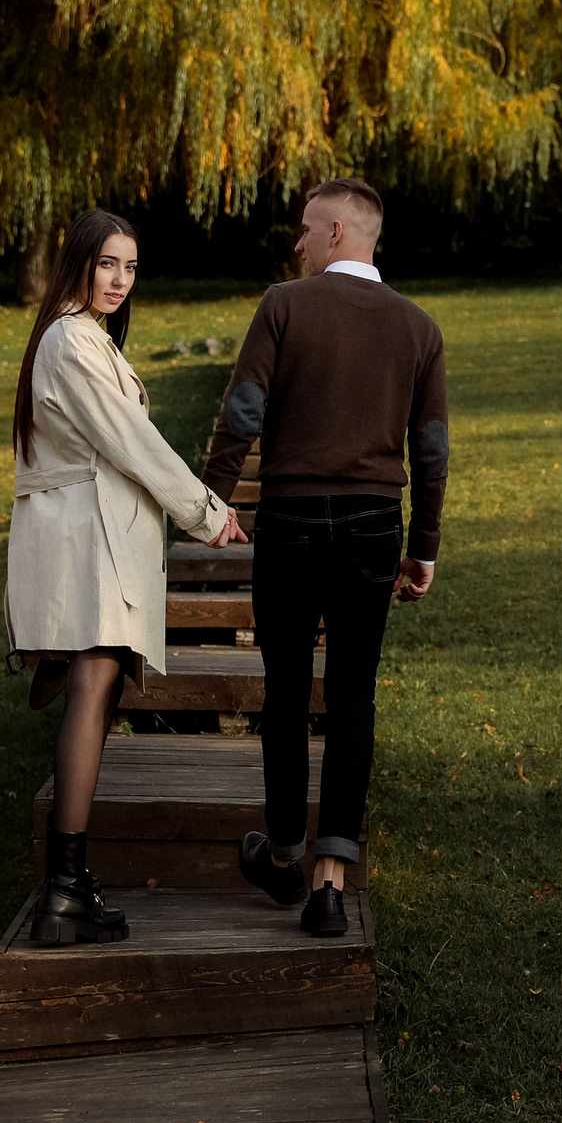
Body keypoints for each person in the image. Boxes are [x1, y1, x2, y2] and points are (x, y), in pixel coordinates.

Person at [205, 178, 446, 936]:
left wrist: (211, 503)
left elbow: (243, 410)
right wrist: (424, 546)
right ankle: (330, 884)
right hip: (376, 524)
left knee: (284, 690)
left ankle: (281, 855)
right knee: (353, 694)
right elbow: (430, 450)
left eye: (307, 229)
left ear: (339, 232)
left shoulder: (284, 304)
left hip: (292, 521)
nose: (297, 242)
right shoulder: (418, 327)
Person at [7, 209, 244, 945]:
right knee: (93, 686)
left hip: (93, 537)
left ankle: (69, 886)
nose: (119, 280)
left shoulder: (82, 338)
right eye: (108, 264)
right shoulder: (72, 341)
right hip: (87, 543)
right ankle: (63, 890)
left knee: (98, 688)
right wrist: (208, 512)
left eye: (131, 267)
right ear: (79, 263)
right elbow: (131, 443)